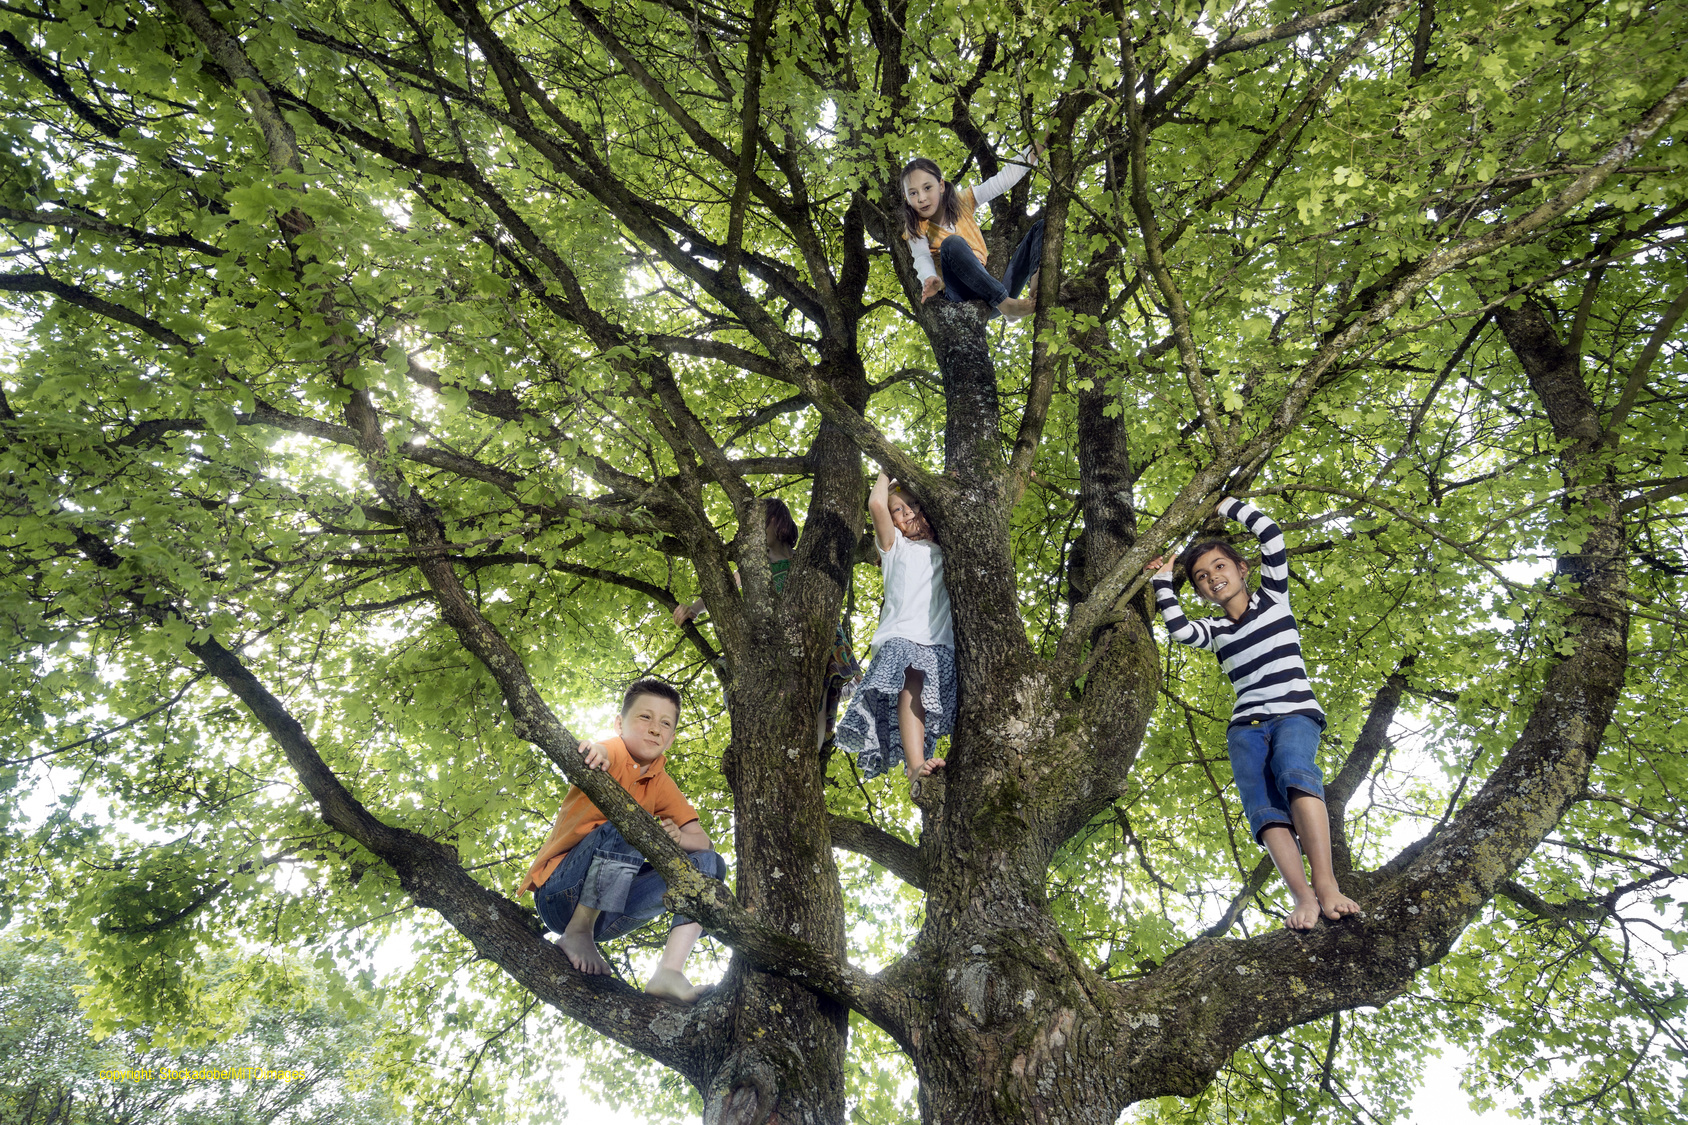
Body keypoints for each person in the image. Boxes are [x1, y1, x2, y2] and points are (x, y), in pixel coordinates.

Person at [1145, 497, 1361, 931]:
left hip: (1294, 713)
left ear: (1242, 569)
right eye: (1202, 577)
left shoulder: (1274, 598)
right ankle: (1302, 897)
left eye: (1219, 567)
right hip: (1245, 728)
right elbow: (1180, 629)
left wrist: (1224, 503)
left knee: (1294, 770)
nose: (1212, 579)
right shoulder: (1215, 631)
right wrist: (1164, 580)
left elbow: (1272, 535)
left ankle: (1327, 884)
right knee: (1262, 807)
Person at [520, 679, 726, 1003]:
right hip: (561, 893)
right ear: (620, 724)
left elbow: (704, 843)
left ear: (670, 739)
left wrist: (680, 837)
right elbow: (600, 749)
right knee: (632, 821)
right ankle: (577, 932)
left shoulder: (660, 782)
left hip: (610, 913)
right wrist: (595, 753)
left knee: (709, 864)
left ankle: (669, 971)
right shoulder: (613, 752)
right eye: (645, 717)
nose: (655, 729)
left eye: (665, 724)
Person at [672, 498, 863, 743]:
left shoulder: (804, 559)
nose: (753, 533)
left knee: (820, 695)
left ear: (777, 521)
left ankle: (811, 751)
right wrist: (694, 610)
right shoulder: (753, 567)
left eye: (759, 524)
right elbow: (724, 589)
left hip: (816, 637)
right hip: (772, 642)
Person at [836, 472, 956, 785]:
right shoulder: (894, 546)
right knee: (911, 689)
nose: (906, 513)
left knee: (944, 700)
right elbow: (876, 503)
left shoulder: (949, 546)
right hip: (903, 635)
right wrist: (888, 471)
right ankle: (916, 766)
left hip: (940, 639)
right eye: (898, 511)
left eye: (913, 505)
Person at [901, 144, 1048, 322]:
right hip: (962, 295)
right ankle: (1007, 305)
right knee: (952, 243)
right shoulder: (917, 228)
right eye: (913, 193)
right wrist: (930, 278)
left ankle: (1038, 281)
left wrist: (1041, 144)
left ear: (940, 185)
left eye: (927, 188)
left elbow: (1005, 178)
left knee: (1042, 226)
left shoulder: (962, 201)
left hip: (989, 289)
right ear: (906, 198)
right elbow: (921, 257)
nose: (921, 198)